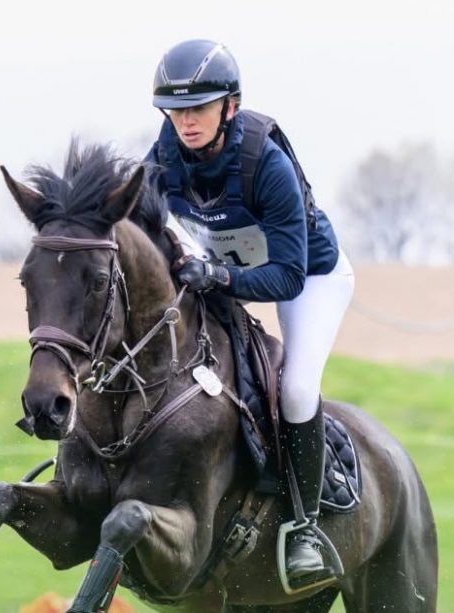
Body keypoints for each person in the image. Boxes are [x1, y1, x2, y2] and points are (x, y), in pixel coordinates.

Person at [145, 39, 356, 584]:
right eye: (175, 111)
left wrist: (217, 276)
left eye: (199, 108)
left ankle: (306, 528)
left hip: (310, 278)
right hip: (227, 271)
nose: (185, 122)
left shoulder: (267, 164)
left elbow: (286, 276)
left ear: (230, 107)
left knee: (296, 390)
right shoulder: (165, 154)